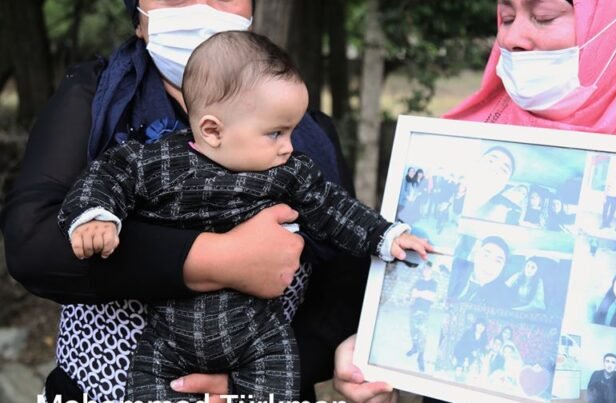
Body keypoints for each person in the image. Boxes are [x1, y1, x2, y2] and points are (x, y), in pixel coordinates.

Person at [334, 0, 616, 401]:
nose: (512, 38)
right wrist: (370, 348)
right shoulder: (454, 154)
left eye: (543, 16)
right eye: (506, 16)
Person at [0, 1, 365, 401]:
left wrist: (272, 371)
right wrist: (221, 259)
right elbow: (33, 245)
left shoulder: (300, 131)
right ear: (137, 16)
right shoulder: (96, 104)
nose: (200, 3)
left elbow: (345, 281)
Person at [57, 30, 431, 400]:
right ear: (212, 130)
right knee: (147, 383)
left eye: (292, 131)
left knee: (280, 375)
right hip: (169, 334)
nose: (289, 147)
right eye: (276, 133)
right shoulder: (161, 161)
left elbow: (333, 206)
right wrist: (96, 215)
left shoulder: (289, 173)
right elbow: (109, 174)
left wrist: (384, 235)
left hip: (259, 334)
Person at [446, 235, 511, 308]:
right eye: (486, 255)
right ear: (476, 256)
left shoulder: (503, 297)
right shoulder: (455, 268)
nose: (490, 265)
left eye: (498, 261)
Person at [406, 260, 438, 372]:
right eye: (424, 269)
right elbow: (412, 294)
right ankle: (414, 348)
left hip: (424, 312)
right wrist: (422, 294)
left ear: (431, 271)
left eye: (428, 269)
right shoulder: (418, 281)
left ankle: (420, 357)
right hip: (414, 309)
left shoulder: (433, 283)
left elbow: (431, 297)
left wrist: (419, 293)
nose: (425, 271)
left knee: (422, 335)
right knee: (413, 331)